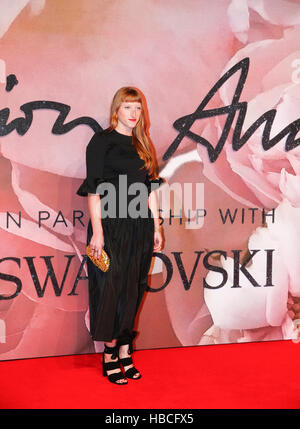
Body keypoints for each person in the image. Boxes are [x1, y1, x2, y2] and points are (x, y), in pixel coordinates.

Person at [76, 87, 165, 385]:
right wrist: (98, 233)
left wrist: (157, 225)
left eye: (138, 108)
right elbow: (93, 190)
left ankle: (126, 348)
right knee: (111, 286)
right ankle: (110, 353)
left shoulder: (142, 142)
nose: (134, 113)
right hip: (110, 227)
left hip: (140, 226)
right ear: (116, 109)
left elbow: (149, 187)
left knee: (135, 287)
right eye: (128, 107)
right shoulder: (101, 142)